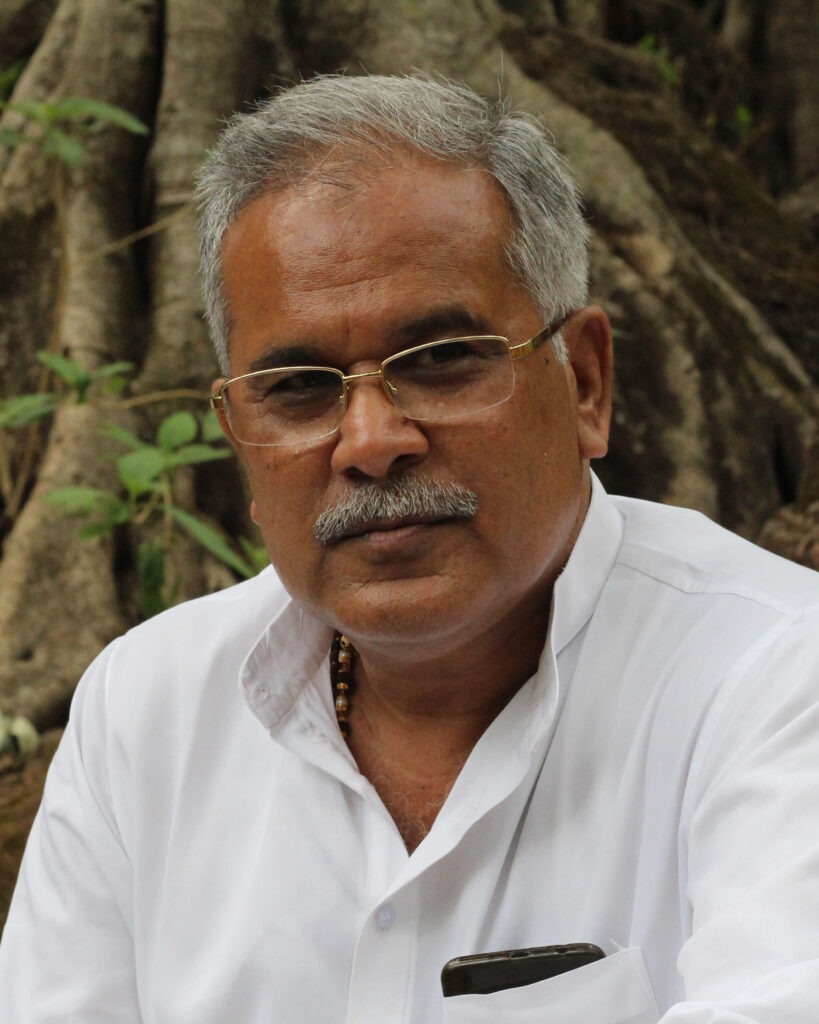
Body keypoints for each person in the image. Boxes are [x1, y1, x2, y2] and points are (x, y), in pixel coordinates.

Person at [1, 74, 817, 1024]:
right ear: (238, 439)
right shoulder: (150, 709)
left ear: (586, 384)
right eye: (299, 387)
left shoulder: (773, 678)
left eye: (439, 361)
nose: (370, 441)